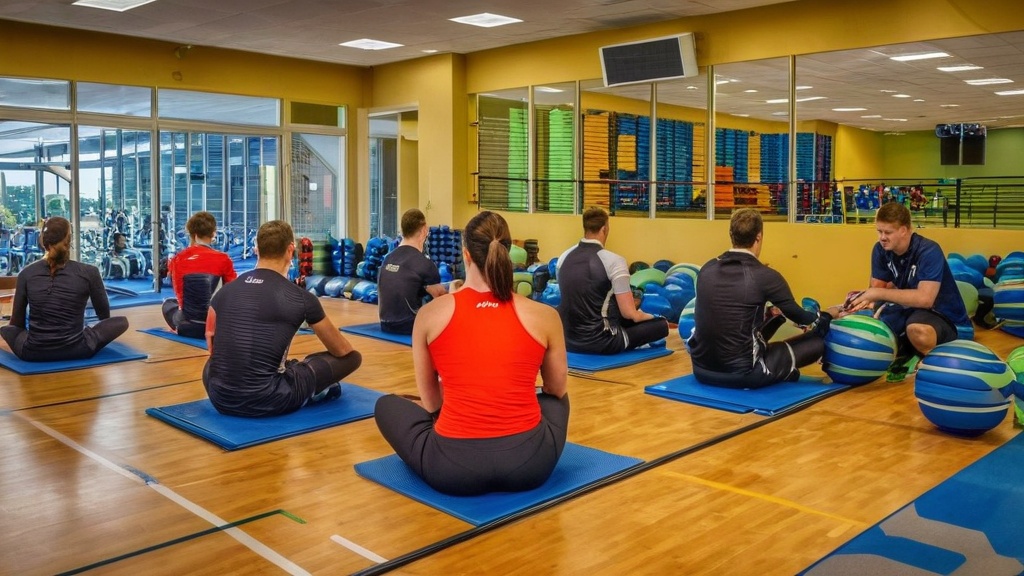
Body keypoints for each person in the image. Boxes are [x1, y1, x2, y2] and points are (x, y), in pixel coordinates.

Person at [373, 211, 569, 496]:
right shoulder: (545, 315)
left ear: (466, 254)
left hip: (453, 469)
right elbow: (557, 387)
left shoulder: (429, 315)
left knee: (386, 405)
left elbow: (430, 402)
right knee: (557, 399)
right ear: (508, 251)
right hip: (530, 464)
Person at [202, 220, 362, 417]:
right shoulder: (302, 298)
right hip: (270, 399)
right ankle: (310, 389)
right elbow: (342, 351)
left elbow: (212, 345)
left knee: (215, 363)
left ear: (256, 249)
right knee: (353, 358)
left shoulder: (224, 292)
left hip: (219, 397)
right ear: (290, 250)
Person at [688, 208, 835, 389]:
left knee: (770, 323)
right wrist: (827, 315)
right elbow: (803, 319)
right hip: (744, 375)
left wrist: (769, 313)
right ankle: (783, 370)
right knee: (818, 341)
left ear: (731, 235)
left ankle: (782, 370)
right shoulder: (766, 276)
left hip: (701, 371)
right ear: (758, 238)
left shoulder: (706, 269)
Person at [847, 202, 969, 378]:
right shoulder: (880, 250)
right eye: (879, 231)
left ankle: (935, 365)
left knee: (917, 331)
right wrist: (855, 303)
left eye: (887, 232)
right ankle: (908, 350)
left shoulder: (929, 250)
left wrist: (878, 294)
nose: (882, 237)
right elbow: (877, 289)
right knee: (866, 325)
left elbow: (925, 299)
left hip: (942, 315)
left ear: (904, 230)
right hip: (908, 310)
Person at [1, 216, 129, 362]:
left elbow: (16, 323)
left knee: (7, 329)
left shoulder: (26, 273)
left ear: (44, 242)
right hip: (79, 349)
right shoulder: (90, 272)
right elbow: (104, 317)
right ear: (69, 241)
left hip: (32, 352)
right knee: (121, 322)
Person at [556, 206, 668, 354]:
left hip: (567, 339)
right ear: (604, 229)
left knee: (610, 304)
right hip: (602, 341)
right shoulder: (614, 261)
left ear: (585, 228)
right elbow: (630, 314)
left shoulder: (563, 257)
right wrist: (654, 317)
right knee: (661, 325)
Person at [376, 208, 456, 335]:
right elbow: (440, 299)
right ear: (425, 230)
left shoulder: (387, 259)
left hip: (385, 324)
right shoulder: (424, 264)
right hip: (409, 326)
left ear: (402, 230)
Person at [161, 211, 237, 339]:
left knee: (168, 304)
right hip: (216, 326)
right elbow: (233, 291)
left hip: (187, 324)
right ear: (213, 233)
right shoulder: (224, 259)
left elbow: (179, 294)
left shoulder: (178, 259)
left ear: (191, 233)